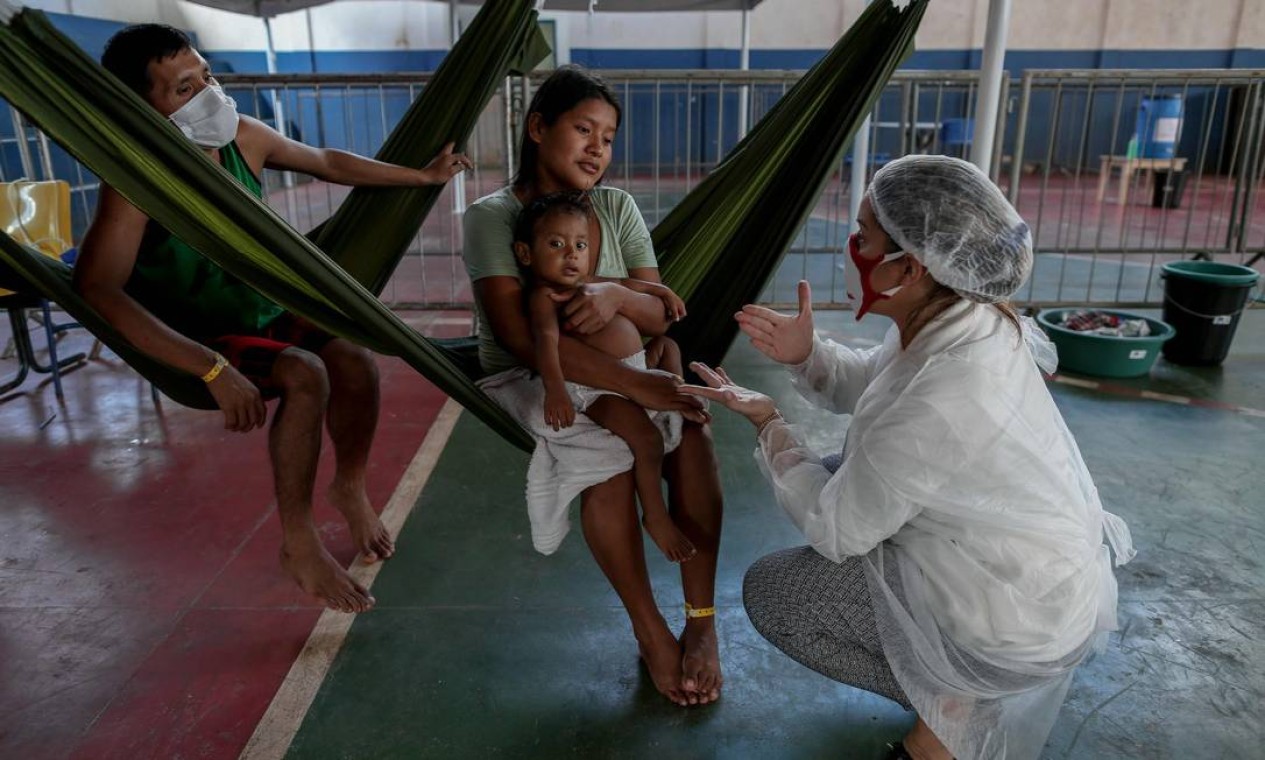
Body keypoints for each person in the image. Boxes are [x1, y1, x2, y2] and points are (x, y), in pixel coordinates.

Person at [683, 155, 1135, 758]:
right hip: (1028, 574)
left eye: (865, 236)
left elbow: (836, 529)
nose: (852, 246)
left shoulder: (946, 394)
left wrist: (769, 424)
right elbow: (873, 381)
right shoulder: (960, 315)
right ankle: (952, 691)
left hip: (1010, 616)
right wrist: (805, 353)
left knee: (779, 595)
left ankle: (954, 709)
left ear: (911, 267)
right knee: (844, 473)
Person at [74, 24, 472, 614]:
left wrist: (422, 178)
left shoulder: (241, 140)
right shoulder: (136, 187)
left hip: (263, 310)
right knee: (306, 372)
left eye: (207, 76)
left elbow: (326, 160)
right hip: (204, 337)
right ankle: (299, 539)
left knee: (356, 356)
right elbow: (97, 289)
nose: (209, 95)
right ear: (143, 109)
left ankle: (351, 486)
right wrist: (207, 369)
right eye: (186, 89)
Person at [462, 65, 724, 707]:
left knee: (690, 438)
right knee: (607, 464)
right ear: (537, 128)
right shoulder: (493, 218)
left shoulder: (617, 207)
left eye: (608, 137)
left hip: (628, 369)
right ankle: (650, 630)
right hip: (535, 376)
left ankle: (702, 622)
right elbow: (521, 338)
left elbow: (660, 312)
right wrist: (640, 383)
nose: (597, 148)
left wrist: (613, 296)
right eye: (583, 129)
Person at [512, 191, 697, 563]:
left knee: (668, 346)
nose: (571, 254)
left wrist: (662, 291)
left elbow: (629, 285)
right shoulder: (544, 296)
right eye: (556, 244)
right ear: (526, 254)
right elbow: (545, 344)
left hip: (637, 368)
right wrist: (555, 391)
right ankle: (656, 517)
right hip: (600, 391)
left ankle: (678, 404)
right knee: (646, 441)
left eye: (580, 244)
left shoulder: (589, 278)